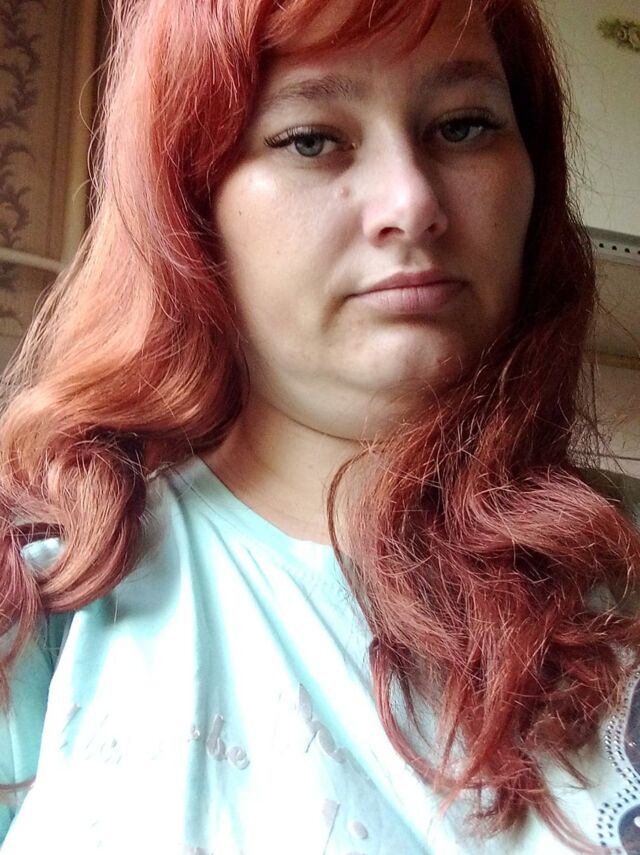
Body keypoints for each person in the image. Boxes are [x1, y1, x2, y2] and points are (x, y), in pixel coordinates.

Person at [0, 0, 639, 851]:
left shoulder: (621, 574)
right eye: (310, 139)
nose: (412, 203)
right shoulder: (44, 591)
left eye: (463, 125)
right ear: (191, 207)